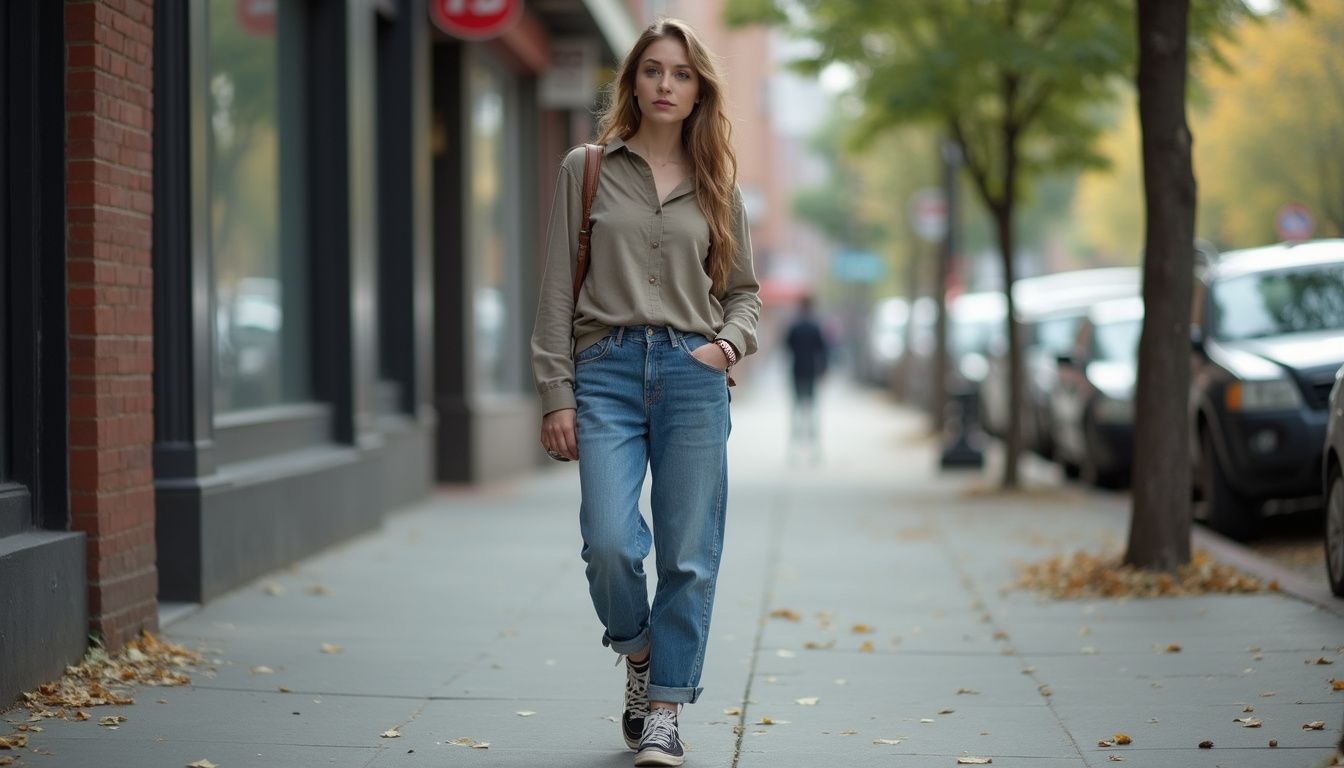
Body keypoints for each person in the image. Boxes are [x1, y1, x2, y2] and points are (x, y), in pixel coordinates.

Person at [530, 18, 760, 768]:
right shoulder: (587, 168)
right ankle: (638, 653)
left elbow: (744, 294)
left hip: (694, 380)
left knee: (689, 556)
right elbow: (559, 289)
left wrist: (727, 345)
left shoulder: (719, 185)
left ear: (700, 92)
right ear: (633, 81)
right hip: (608, 373)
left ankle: (665, 710)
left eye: (682, 74)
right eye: (654, 70)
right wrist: (555, 392)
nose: (666, 85)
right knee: (609, 543)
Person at [784, 295, 828, 462]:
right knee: (811, 411)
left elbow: (786, 347)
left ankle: (792, 451)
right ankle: (815, 450)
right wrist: (823, 371)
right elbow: (823, 351)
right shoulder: (816, 326)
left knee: (795, 411)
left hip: (796, 372)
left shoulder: (794, 326)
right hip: (811, 372)